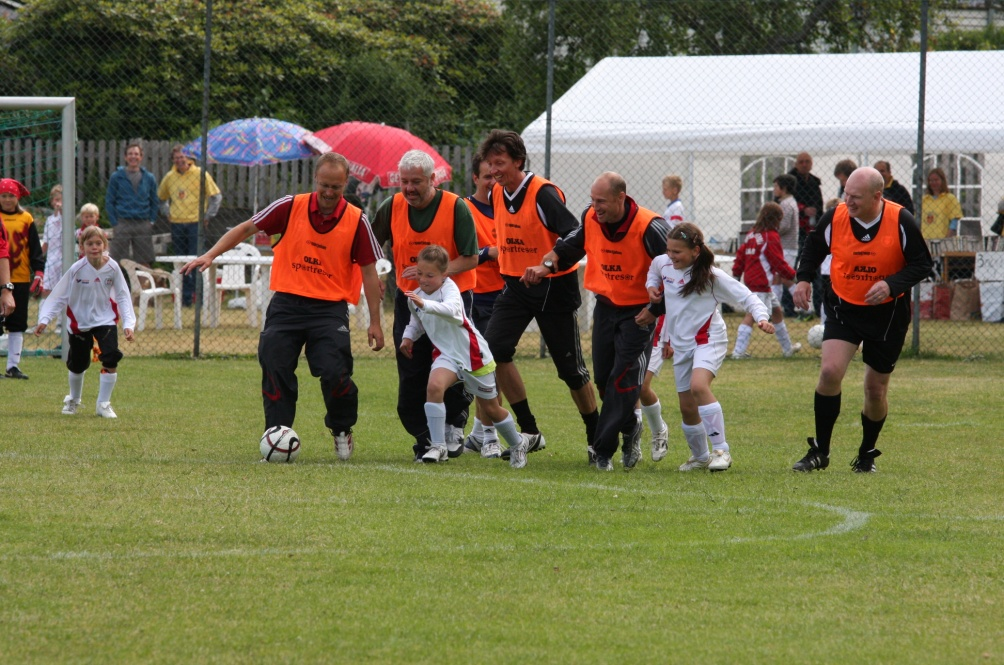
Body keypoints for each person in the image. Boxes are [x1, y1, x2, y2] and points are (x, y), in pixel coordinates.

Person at [181, 152, 385, 461]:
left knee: (335, 372)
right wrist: (211, 255)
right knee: (274, 365)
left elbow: (370, 272)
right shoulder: (291, 206)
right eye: (324, 185)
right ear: (315, 180)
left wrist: (375, 322)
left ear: (346, 184)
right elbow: (245, 228)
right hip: (287, 304)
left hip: (329, 309)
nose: (329, 193)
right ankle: (276, 436)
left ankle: (342, 429)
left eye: (336, 187)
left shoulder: (357, 220)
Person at [791, 167, 933, 473]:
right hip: (844, 306)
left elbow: (923, 265)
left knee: (875, 389)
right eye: (845, 194)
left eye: (855, 197)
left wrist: (891, 284)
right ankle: (820, 452)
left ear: (877, 196)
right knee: (829, 372)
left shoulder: (900, 220)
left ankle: (867, 453)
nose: (848, 201)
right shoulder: (836, 216)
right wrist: (803, 279)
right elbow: (813, 248)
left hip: (888, 314)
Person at [524, 172, 669, 471]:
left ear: (621, 198)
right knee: (603, 381)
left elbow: (678, 272)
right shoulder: (591, 218)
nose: (595, 206)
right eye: (592, 200)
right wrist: (544, 266)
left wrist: (655, 310)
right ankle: (631, 428)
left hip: (639, 314)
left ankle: (602, 450)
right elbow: (568, 248)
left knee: (622, 379)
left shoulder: (650, 226)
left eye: (601, 201)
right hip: (606, 307)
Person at [478, 129, 599, 460]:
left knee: (570, 370)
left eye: (500, 163)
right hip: (516, 287)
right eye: (490, 164)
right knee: (494, 351)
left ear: (518, 161)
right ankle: (529, 430)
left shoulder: (542, 192)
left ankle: (594, 434)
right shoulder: (497, 194)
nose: (493, 170)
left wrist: (547, 264)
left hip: (553, 288)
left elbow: (577, 232)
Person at [372, 150, 478, 461]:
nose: (409, 189)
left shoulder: (455, 207)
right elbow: (369, 245)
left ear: (433, 179)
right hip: (411, 303)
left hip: (450, 302)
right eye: (404, 182)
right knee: (412, 370)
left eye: (416, 182)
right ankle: (426, 439)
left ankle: (454, 424)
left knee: (454, 365)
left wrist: (431, 275)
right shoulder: (391, 207)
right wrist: (376, 272)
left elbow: (471, 258)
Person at [647, 222, 774, 472]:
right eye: (669, 250)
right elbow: (654, 270)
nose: (671, 256)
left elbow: (747, 296)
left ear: (695, 251)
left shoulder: (711, 276)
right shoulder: (664, 263)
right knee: (686, 407)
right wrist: (650, 286)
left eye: (677, 252)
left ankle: (721, 451)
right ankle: (701, 457)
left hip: (708, 340)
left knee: (698, 386)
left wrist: (761, 317)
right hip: (681, 345)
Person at [400, 245, 540, 468]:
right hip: (447, 355)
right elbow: (416, 323)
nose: (423, 280)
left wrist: (424, 304)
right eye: (419, 274)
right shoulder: (415, 297)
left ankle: (516, 444)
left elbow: (454, 313)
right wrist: (408, 338)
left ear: (444, 274)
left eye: (430, 275)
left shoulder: (450, 289)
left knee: (491, 408)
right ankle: (438, 446)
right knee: (434, 387)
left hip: (472, 354)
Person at [34, 226, 135, 417]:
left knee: (111, 356)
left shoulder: (113, 268)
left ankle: (103, 404)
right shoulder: (77, 269)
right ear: (82, 247)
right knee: (78, 363)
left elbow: (122, 295)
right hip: (79, 321)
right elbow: (59, 296)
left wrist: (129, 324)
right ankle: (73, 399)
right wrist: (45, 319)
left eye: (98, 243)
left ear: (105, 245)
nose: (94, 247)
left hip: (106, 319)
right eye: (90, 244)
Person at [462, 151, 507, 456]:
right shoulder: (463, 209)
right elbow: (455, 254)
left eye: (497, 175)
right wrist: (488, 252)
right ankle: (487, 434)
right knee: (482, 366)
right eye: (487, 176)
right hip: (475, 295)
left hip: (506, 296)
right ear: (476, 178)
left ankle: (482, 433)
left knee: (495, 365)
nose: (493, 181)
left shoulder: (508, 206)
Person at [731, 202, 800, 359]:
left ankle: (788, 349)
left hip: (754, 281)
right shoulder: (771, 236)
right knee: (752, 314)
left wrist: (736, 275)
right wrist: (794, 276)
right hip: (761, 282)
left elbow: (740, 256)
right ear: (776, 219)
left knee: (776, 311)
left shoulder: (752, 234)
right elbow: (778, 261)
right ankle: (738, 352)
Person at [159, 145, 223, 306]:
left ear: (189, 158)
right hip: (177, 225)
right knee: (181, 264)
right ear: (173, 160)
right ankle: (185, 300)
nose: (180, 160)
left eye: (182, 157)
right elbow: (160, 198)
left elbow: (216, 196)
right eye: (177, 158)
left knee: (198, 261)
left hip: (196, 224)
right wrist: (168, 213)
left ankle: (200, 299)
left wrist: (207, 216)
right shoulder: (169, 176)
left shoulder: (200, 174)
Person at [0, 178, 44, 380]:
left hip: (20, 277)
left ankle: (13, 366)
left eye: (11, 196)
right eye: (4, 196)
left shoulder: (26, 218)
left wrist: (39, 272)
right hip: (1, 279)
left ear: (17, 198)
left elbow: (35, 248)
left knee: (18, 323)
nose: (7, 200)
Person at [106, 143, 159, 267]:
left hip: (143, 223)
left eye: (136, 154)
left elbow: (154, 201)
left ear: (141, 157)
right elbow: (109, 201)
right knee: (117, 259)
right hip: (122, 222)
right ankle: (119, 285)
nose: (133, 157)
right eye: (130, 154)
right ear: (125, 157)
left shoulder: (149, 178)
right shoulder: (117, 177)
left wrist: (151, 221)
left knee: (144, 259)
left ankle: (143, 285)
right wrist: (115, 222)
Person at [773, 174, 799, 316]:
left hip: (787, 247)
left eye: (776, 186)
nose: (774, 190)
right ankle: (774, 307)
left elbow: (784, 226)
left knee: (784, 278)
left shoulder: (787, 204)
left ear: (784, 188)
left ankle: (803, 302)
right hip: (784, 247)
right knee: (777, 277)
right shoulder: (786, 202)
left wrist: (769, 229)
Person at [920, 167, 962, 241]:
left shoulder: (950, 198)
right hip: (924, 239)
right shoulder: (924, 200)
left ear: (942, 181)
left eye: (936, 180)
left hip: (941, 239)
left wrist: (946, 239)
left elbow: (954, 221)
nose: (933, 183)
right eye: (931, 180)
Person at [41, 185, 63, 296]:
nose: (58, 203)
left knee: (64, 291)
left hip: (65, 260)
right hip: (51, 261)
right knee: (47, 290)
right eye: (56, 199)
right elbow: (46, 242)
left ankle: (62, 313)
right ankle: (44, 312)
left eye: (61, 200)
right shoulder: (49, 220)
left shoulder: (67, 217)